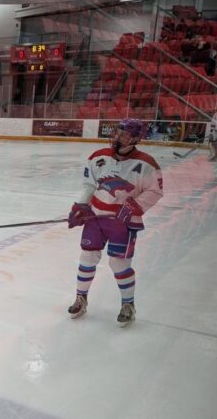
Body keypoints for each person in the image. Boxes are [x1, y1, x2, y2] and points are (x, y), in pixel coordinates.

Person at [66, 118, 164, 327]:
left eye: (124, 135)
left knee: (118, 263)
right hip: (96, 218)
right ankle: (81, 298)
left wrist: (134, 207)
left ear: (136, 138)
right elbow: (89, 185)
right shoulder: (98, 157)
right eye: (117, 133)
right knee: (87, 257)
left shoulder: (147, 164)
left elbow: (155, 191)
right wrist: (80, 207)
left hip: (123, 222)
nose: (118, 138)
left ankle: (128, 304)